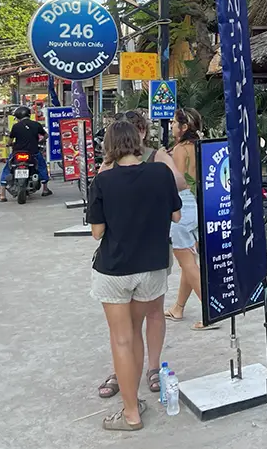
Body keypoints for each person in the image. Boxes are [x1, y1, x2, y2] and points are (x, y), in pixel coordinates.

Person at [88, 120, 181, 432]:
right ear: (139, 141)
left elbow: (97, 232)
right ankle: (136, 399)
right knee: (137, 330)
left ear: (110, 148)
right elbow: (176, 214)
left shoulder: (104, 181)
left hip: (115, 269)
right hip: (152, 267)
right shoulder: (160, 173)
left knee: (121, 338)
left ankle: (131, 413)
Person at [165, 108, 214, 330]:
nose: (172, 126)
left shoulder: (179, 150)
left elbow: (176, 182)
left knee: (186, 261)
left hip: (183, 205)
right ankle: (178, 308)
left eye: (175, 123)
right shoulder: (201, 147)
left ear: (184, 127)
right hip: (200, 204)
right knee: (189, 261)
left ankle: (209, 312)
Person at [0, 106, 51, 201]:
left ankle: (2, 195)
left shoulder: (16, 126)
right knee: (42, 167)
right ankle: (45, 189)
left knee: (7, 169)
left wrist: (8, 144)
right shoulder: (36, 124)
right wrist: (40, 141)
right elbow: (46, 135)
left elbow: (10, 141)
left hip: (17, 153)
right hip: (33, 153)